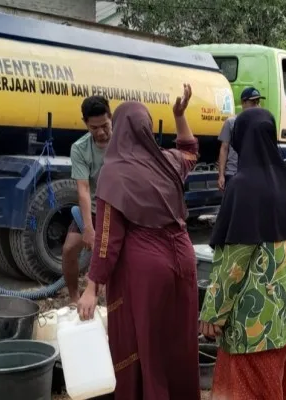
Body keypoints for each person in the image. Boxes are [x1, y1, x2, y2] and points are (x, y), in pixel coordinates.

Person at [76, 84, 200, 400]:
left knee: (147, 343)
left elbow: (107, 239)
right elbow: (190, 149)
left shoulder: (113, 173)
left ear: (118, 129)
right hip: (184, 258)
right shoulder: (168, 160)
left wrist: (92, 286)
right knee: (179, 339)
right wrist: (179, 115)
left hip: (147, 270)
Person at [200, 107, 286, 400]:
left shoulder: (241, 186)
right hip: (284, 320)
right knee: (273, 387)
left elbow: (233, 264)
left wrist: (213, 312)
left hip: (253, 326)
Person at [62, 95, 112, 304]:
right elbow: (83, 189)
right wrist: (89, 229)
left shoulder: (124, 141)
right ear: (85, 124)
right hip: (93, 207)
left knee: (113, 256)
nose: (100, 132)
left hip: (118, 208)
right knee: (68, 249)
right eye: (94, 128)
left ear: (111, 118)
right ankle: (74, 299)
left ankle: (112, 304)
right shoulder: (80, 148)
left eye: (104, 125)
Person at [217, 87, 265, 191]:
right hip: (233, 173)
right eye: (252, 102)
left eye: (258, 102)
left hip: (253, 175)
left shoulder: (260, 125)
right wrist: (221, 175)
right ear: (243, 102)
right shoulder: (231, 122)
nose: (256, 106)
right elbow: (224, 149)